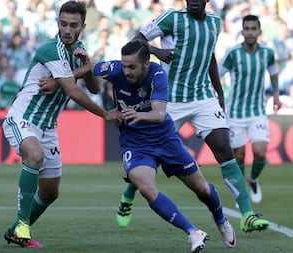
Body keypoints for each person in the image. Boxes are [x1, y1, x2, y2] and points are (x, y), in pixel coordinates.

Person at [116, 0, 270, 233]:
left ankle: (247, 214)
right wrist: (157, 51)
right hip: (170, 99)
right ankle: (128, 195)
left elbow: (210, 58)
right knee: (152, 153)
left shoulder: (215, 22)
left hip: (202, 97)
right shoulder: (172, 18)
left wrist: (219, 92)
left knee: (224, 151)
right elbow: (136, 39)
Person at [97, 39, 236, 252]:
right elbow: (88, 69)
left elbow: (160, 114)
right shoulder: (114, 69)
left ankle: (220, 220)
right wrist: (62, 80)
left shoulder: (158, 75)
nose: (126, 71)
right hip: (135, 144)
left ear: (145, 64)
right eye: (124, 65)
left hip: (165, 139)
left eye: (131, 66)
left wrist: (137, 114)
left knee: (201, 188)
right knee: (146, 188)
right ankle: (193, 233)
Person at [1, 1, 119, 249]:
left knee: (51, 192)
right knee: (34, 156)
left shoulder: (79, 50)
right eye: (63, 24)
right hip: (23, 118)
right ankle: (23, 225)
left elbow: (95, 86)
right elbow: (74, 93)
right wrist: (105, 114)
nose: (67, 29)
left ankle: (15, 231)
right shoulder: (50, 49)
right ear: (57, 23)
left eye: (73, 25)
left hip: (48, 128)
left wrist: (87, 65)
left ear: (83, 27)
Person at [218, 15, 281, 204]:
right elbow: (217, 75)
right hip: (236, 113)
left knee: (260, 152)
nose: (250, 32)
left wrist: (276, 94)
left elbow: (273, 73)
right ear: (242, 31)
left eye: (254, 28)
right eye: (247, 28)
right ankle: (241, 191)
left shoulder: (267, 53)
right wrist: (218, 97)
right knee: (239, 155)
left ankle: (252, 180)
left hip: (257, 111)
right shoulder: (233, 53)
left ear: (259, 31)